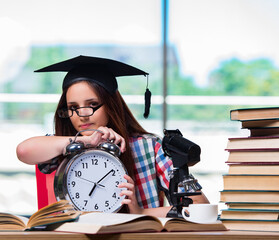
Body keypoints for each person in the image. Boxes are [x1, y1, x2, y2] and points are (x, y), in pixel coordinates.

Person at [16, 55, 209, 218]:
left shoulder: (149, 147)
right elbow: (24, 151)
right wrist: (85, 141)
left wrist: (140, 212)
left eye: (92, 104)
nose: (83, 114)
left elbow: (199, 207)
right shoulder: (64, 145)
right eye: (73, 108)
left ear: (111, 105)